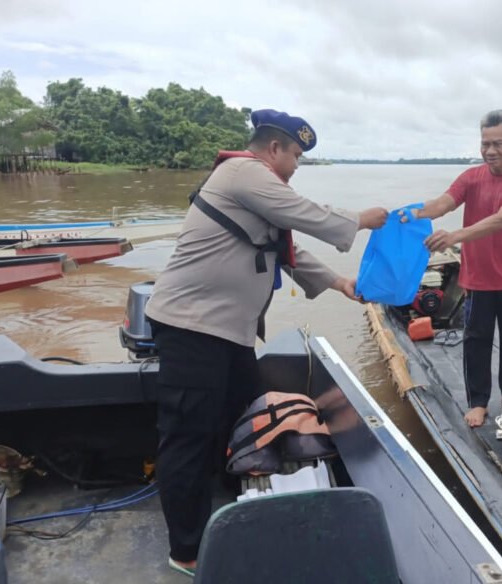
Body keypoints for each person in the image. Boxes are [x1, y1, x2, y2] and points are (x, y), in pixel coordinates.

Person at [144, 109, 387, 576]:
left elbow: (286, 250)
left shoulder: (261, 191)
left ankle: (229, 504)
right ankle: (187, 550)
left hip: (227, 333)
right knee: (188, 436)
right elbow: (304, 214)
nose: (296, 164)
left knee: (241, 415)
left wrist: (339, 283)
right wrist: (361, 219)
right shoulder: (242, 172)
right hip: (192, 328)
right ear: (273, 148)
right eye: (295, 154)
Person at [413, 109, 502, 429]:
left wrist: (455, 235)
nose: (489, 151)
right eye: (484, 144)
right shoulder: (471, 177)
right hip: (478, 277)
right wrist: (405, 214)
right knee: (476, 339)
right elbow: (443, 203)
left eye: (497, 143)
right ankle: (478, 401)